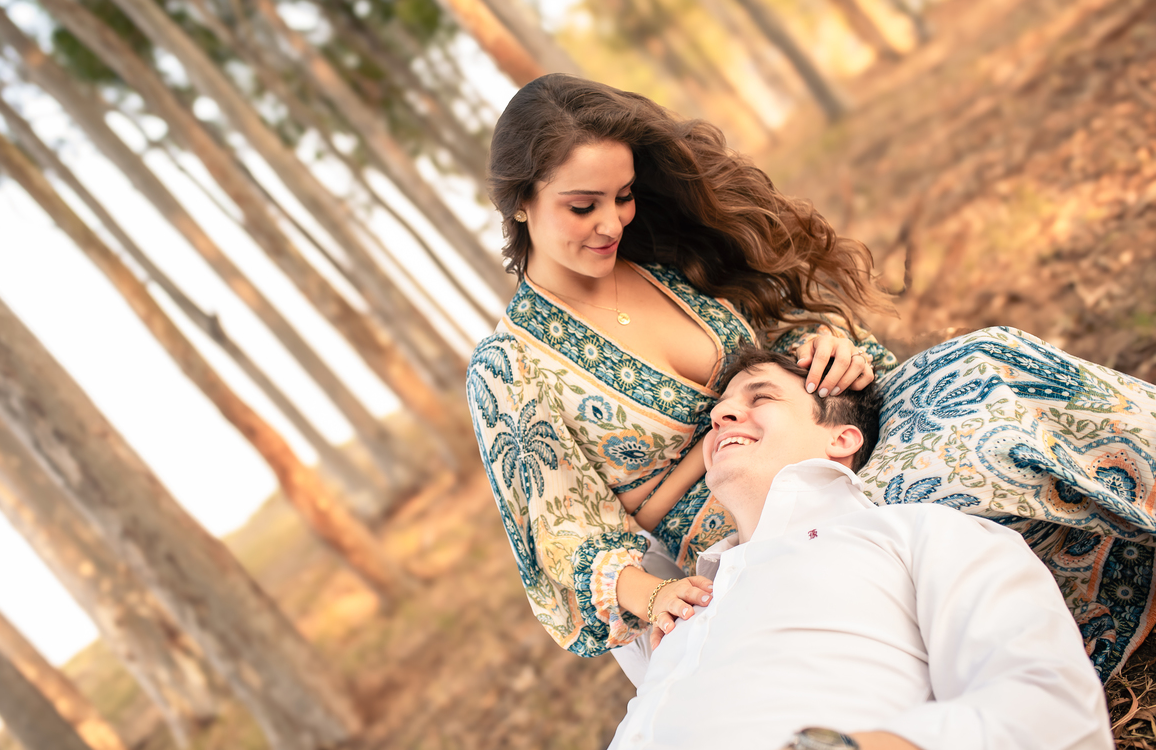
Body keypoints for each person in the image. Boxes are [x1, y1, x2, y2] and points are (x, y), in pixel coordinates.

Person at [466, 73, 1156, 678]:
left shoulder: (660, 265)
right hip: (752, 517)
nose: (612, 222)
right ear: (520, 202)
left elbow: (771, 343)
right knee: (958, 460)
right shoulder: (510, 367)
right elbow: (563, 535)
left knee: (987, 362)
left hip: (828, 431)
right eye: (582, 206)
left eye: (622, 196)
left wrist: (828, 351)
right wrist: (652, 594)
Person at [608, 347, 1113, 750]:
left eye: (761, 397)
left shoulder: (918, 534)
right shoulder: (679, 602)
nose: (721, 415)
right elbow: (591, 535)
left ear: (842, 439)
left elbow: (1053, 709)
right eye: (720, 411)